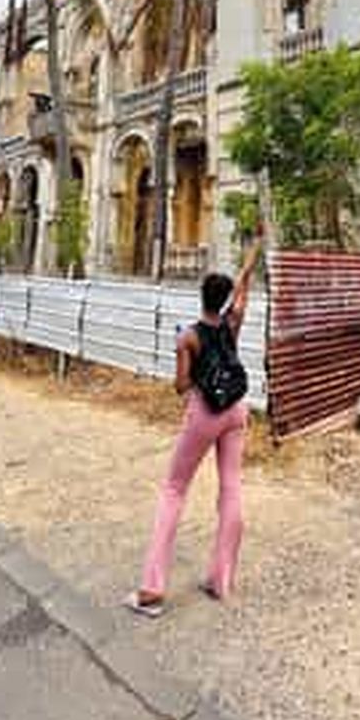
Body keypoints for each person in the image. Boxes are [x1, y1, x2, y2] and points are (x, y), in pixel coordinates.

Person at [124, 231, 263, 617]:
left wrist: (181, 356)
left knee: (173, 490)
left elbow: (180, 386)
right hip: (237, 410)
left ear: (201, 295)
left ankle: (152, 590)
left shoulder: (189, 337)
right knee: (231, 488)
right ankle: (221, 580)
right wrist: (255, 249)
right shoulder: (232, 322)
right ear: (223, 300)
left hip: (205, 413)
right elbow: (245, 282)